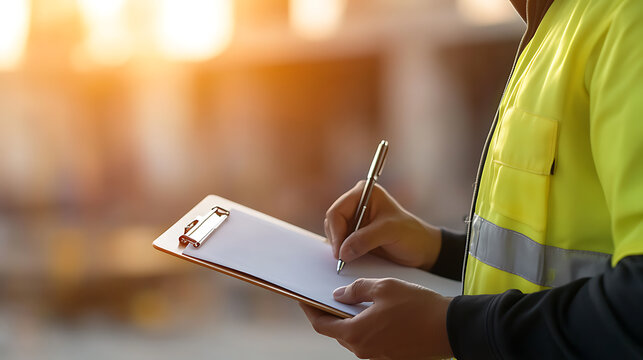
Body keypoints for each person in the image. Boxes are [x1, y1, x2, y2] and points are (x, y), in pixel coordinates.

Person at [300, 0, 643, 358]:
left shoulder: (626, 22)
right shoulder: (553, 23)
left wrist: (450, 327)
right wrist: (435, 247)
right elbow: (552, 256)